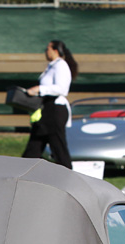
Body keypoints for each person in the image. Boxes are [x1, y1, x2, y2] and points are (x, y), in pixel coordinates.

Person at [21, 40, 76, 169]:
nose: (46, 51)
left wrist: (39, 89)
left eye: (48, 48)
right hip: (46, 110)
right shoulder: (51, 66)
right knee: (33, 147)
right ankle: (22, 176)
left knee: (58, 148)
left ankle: (68, 178)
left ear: (55, 51)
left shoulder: (61, 65)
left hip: (55, 110)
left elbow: (62, 89)